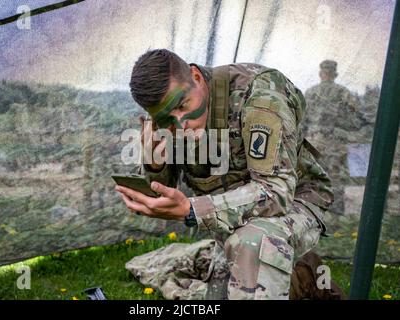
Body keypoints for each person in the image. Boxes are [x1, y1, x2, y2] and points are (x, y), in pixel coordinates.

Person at [116, 49, 335, 300]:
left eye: (183, 105)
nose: (181, 124)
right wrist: (154, 165)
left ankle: (293, 265)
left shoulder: (259, 95)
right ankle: (303, 275)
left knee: (254, 243)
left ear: (196, 78)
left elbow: (275, 192)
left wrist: (192, 209)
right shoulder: (169, 121)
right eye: (167, 118)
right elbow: (161, 189)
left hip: (294, 202)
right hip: (231, 217)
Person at [303, 60, 366, 215]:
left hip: (314, 141)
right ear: (335, 74)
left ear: (320, 73)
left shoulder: (311, 92)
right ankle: (334, 214)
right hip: (335, 142)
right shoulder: (343, 92)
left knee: (310, 175)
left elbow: (302, 119)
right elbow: (357, 115)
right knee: (335, 177)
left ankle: (307, 210)